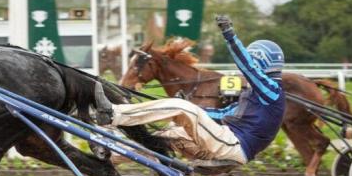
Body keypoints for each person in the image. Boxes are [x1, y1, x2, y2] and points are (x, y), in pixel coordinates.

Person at [95, 15, 286, 164]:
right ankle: (112, 153)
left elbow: (248, 67)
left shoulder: (272, 91)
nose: (244, 71)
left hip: (234, 146)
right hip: (226, 140)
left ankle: (112, 114)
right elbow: (222, 114)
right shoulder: (255, 93)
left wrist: (230, 36)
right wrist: (194, 114)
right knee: (168, 134)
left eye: (253, 60)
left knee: (181, 106)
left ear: (262, 62)